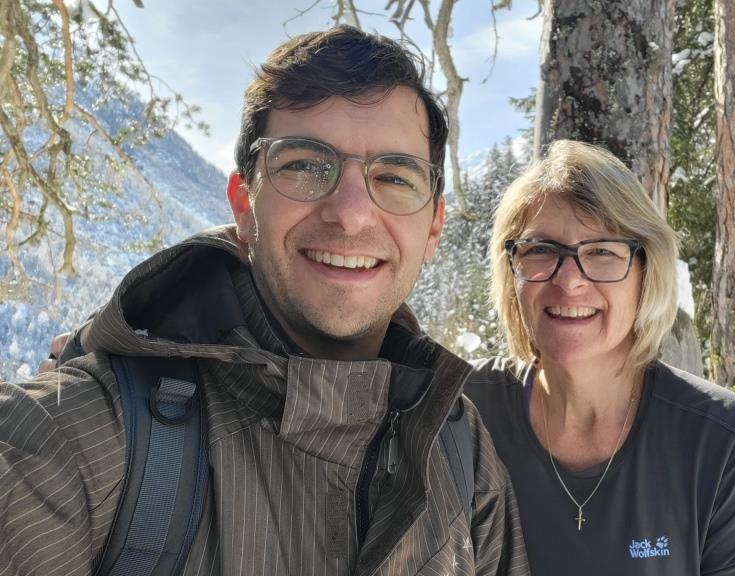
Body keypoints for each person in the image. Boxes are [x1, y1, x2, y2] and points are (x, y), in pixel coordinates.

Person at [0, 27, 529, 575]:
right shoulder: (70, 441)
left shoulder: (458, 451)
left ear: (434, 226)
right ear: (244, 204)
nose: (351, 214)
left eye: (395, 177)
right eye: (304, 164)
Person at [464, 140, 735, 575]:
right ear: (511, 272)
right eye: (540, 249)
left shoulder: (725, 443)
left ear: (646, 271)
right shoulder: (461, 412)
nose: (570, 280)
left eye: (602, 251)